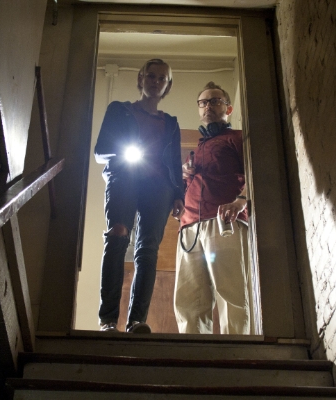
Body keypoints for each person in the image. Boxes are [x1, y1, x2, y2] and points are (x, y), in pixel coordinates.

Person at [94, 59, 185, 334]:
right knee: (118, 234)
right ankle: (108, 320)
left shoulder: (170, 123)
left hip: (159, 188)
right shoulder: (119, 110)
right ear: (141, 79)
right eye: (151, 76)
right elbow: (100, 152)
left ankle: (136, 321)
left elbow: (174, 160)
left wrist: (179, 194)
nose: (156, 81)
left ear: (167, 86)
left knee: (147, 249)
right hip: (124, 178)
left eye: (162, 78)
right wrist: (125, 153)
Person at [174, 81, 251, 335]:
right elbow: (186, 190)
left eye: (215, 101)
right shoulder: (196, 149)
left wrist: (241, 201)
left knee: (231, 293)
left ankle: (237, 352)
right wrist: (186, 176)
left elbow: (256, 173)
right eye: (203, 102)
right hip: (189, 228)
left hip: (224, 221)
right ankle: (192, 356)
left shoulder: (238, 138)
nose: (208, 106)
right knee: (188, 300)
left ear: (228, 108)